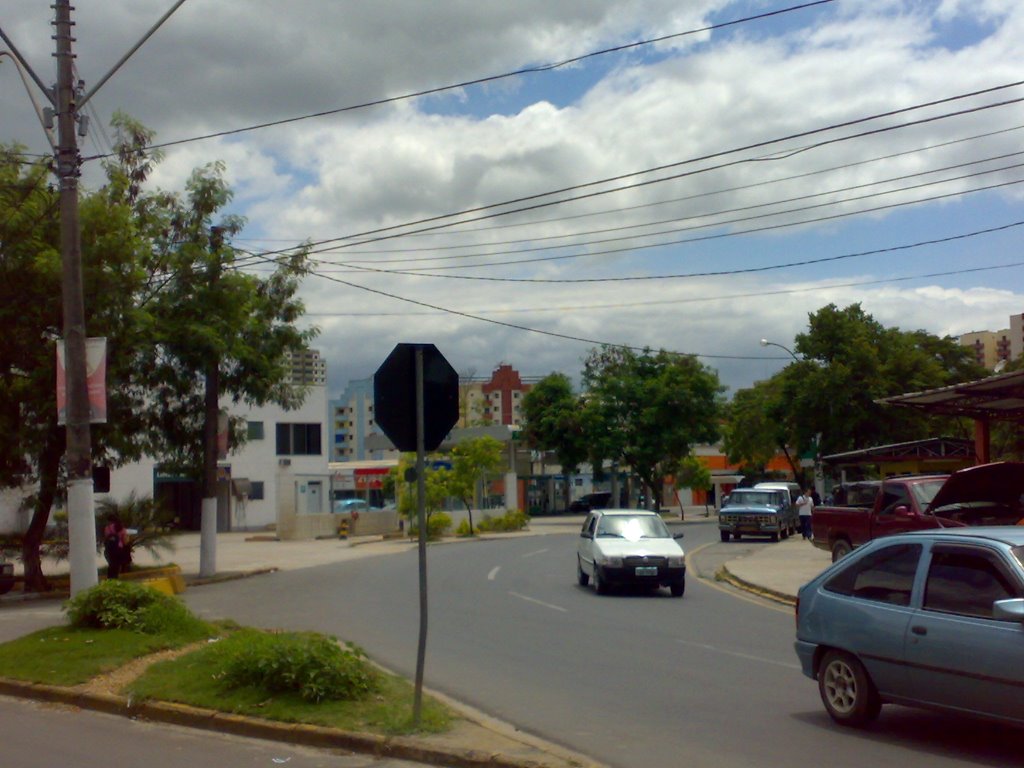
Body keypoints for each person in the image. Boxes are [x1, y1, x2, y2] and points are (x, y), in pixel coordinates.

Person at [102, 513, 130, 579]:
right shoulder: (121, 528)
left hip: (110, 549)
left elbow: (106, 538)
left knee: (111, 565)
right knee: (117, 566)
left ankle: (110, 579)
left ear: (109, 520)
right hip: (119, 549)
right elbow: (125, 540)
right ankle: (115, 578)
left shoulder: (107, 528)